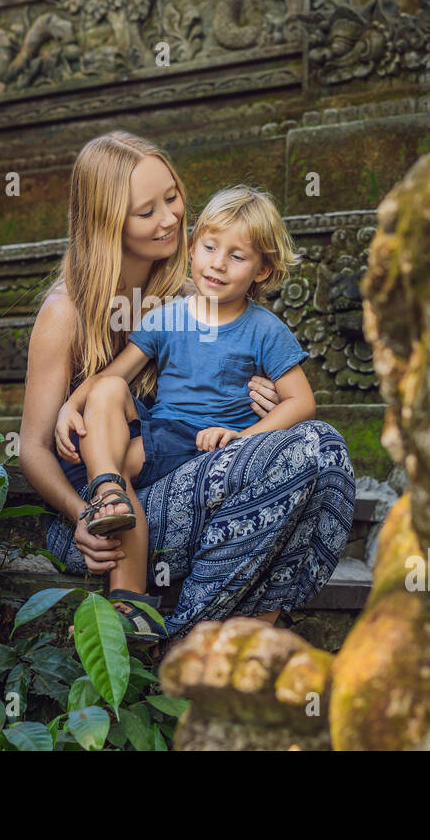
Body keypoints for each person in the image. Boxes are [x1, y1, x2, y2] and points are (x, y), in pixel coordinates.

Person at [17, 131, 356, 643]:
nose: (171, 218)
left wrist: (261, 406)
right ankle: (183, 634)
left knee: (324, 452)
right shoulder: (66, 311)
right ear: (107, 221)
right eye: (147, 211)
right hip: (106, 516)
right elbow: (32, 449)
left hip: (193, 464)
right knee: (313, 448)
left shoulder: (193, 294)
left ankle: (235, 631)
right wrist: (81, 512)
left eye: (173, 197)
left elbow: (248, 375)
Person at [52, 186, 316, 640]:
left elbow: (302, 401)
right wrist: (69, 408)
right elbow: (111, 379)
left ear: (263, 270)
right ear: (193, 246)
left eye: (237, 256)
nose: (217, 263)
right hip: (164, 433)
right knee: (115, 440)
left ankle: (126, 578)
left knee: (123, 464)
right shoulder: (165, 316)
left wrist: (246, 436)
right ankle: (125, 581)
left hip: (213, 444)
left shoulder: (264, 329)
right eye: (210, 247)